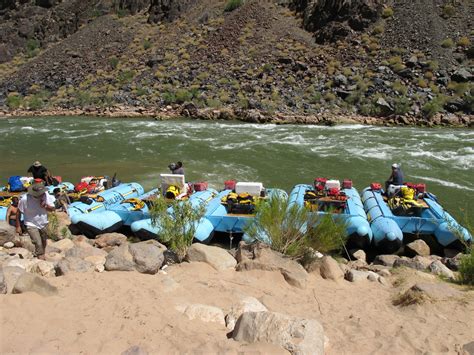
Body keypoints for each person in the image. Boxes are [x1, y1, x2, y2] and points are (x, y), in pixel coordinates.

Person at [18, 182, 56, 260]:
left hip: (43, 222)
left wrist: (46, 206)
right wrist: (18, 226)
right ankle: (40, 258)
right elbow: (19, 211)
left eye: (42, 193)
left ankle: (41, 254)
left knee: (43, 241)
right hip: (30, 223)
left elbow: (52, 209)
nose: (42, 195)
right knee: (38, 243)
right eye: (40, 194)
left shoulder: (46, 196)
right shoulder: (25, 199)